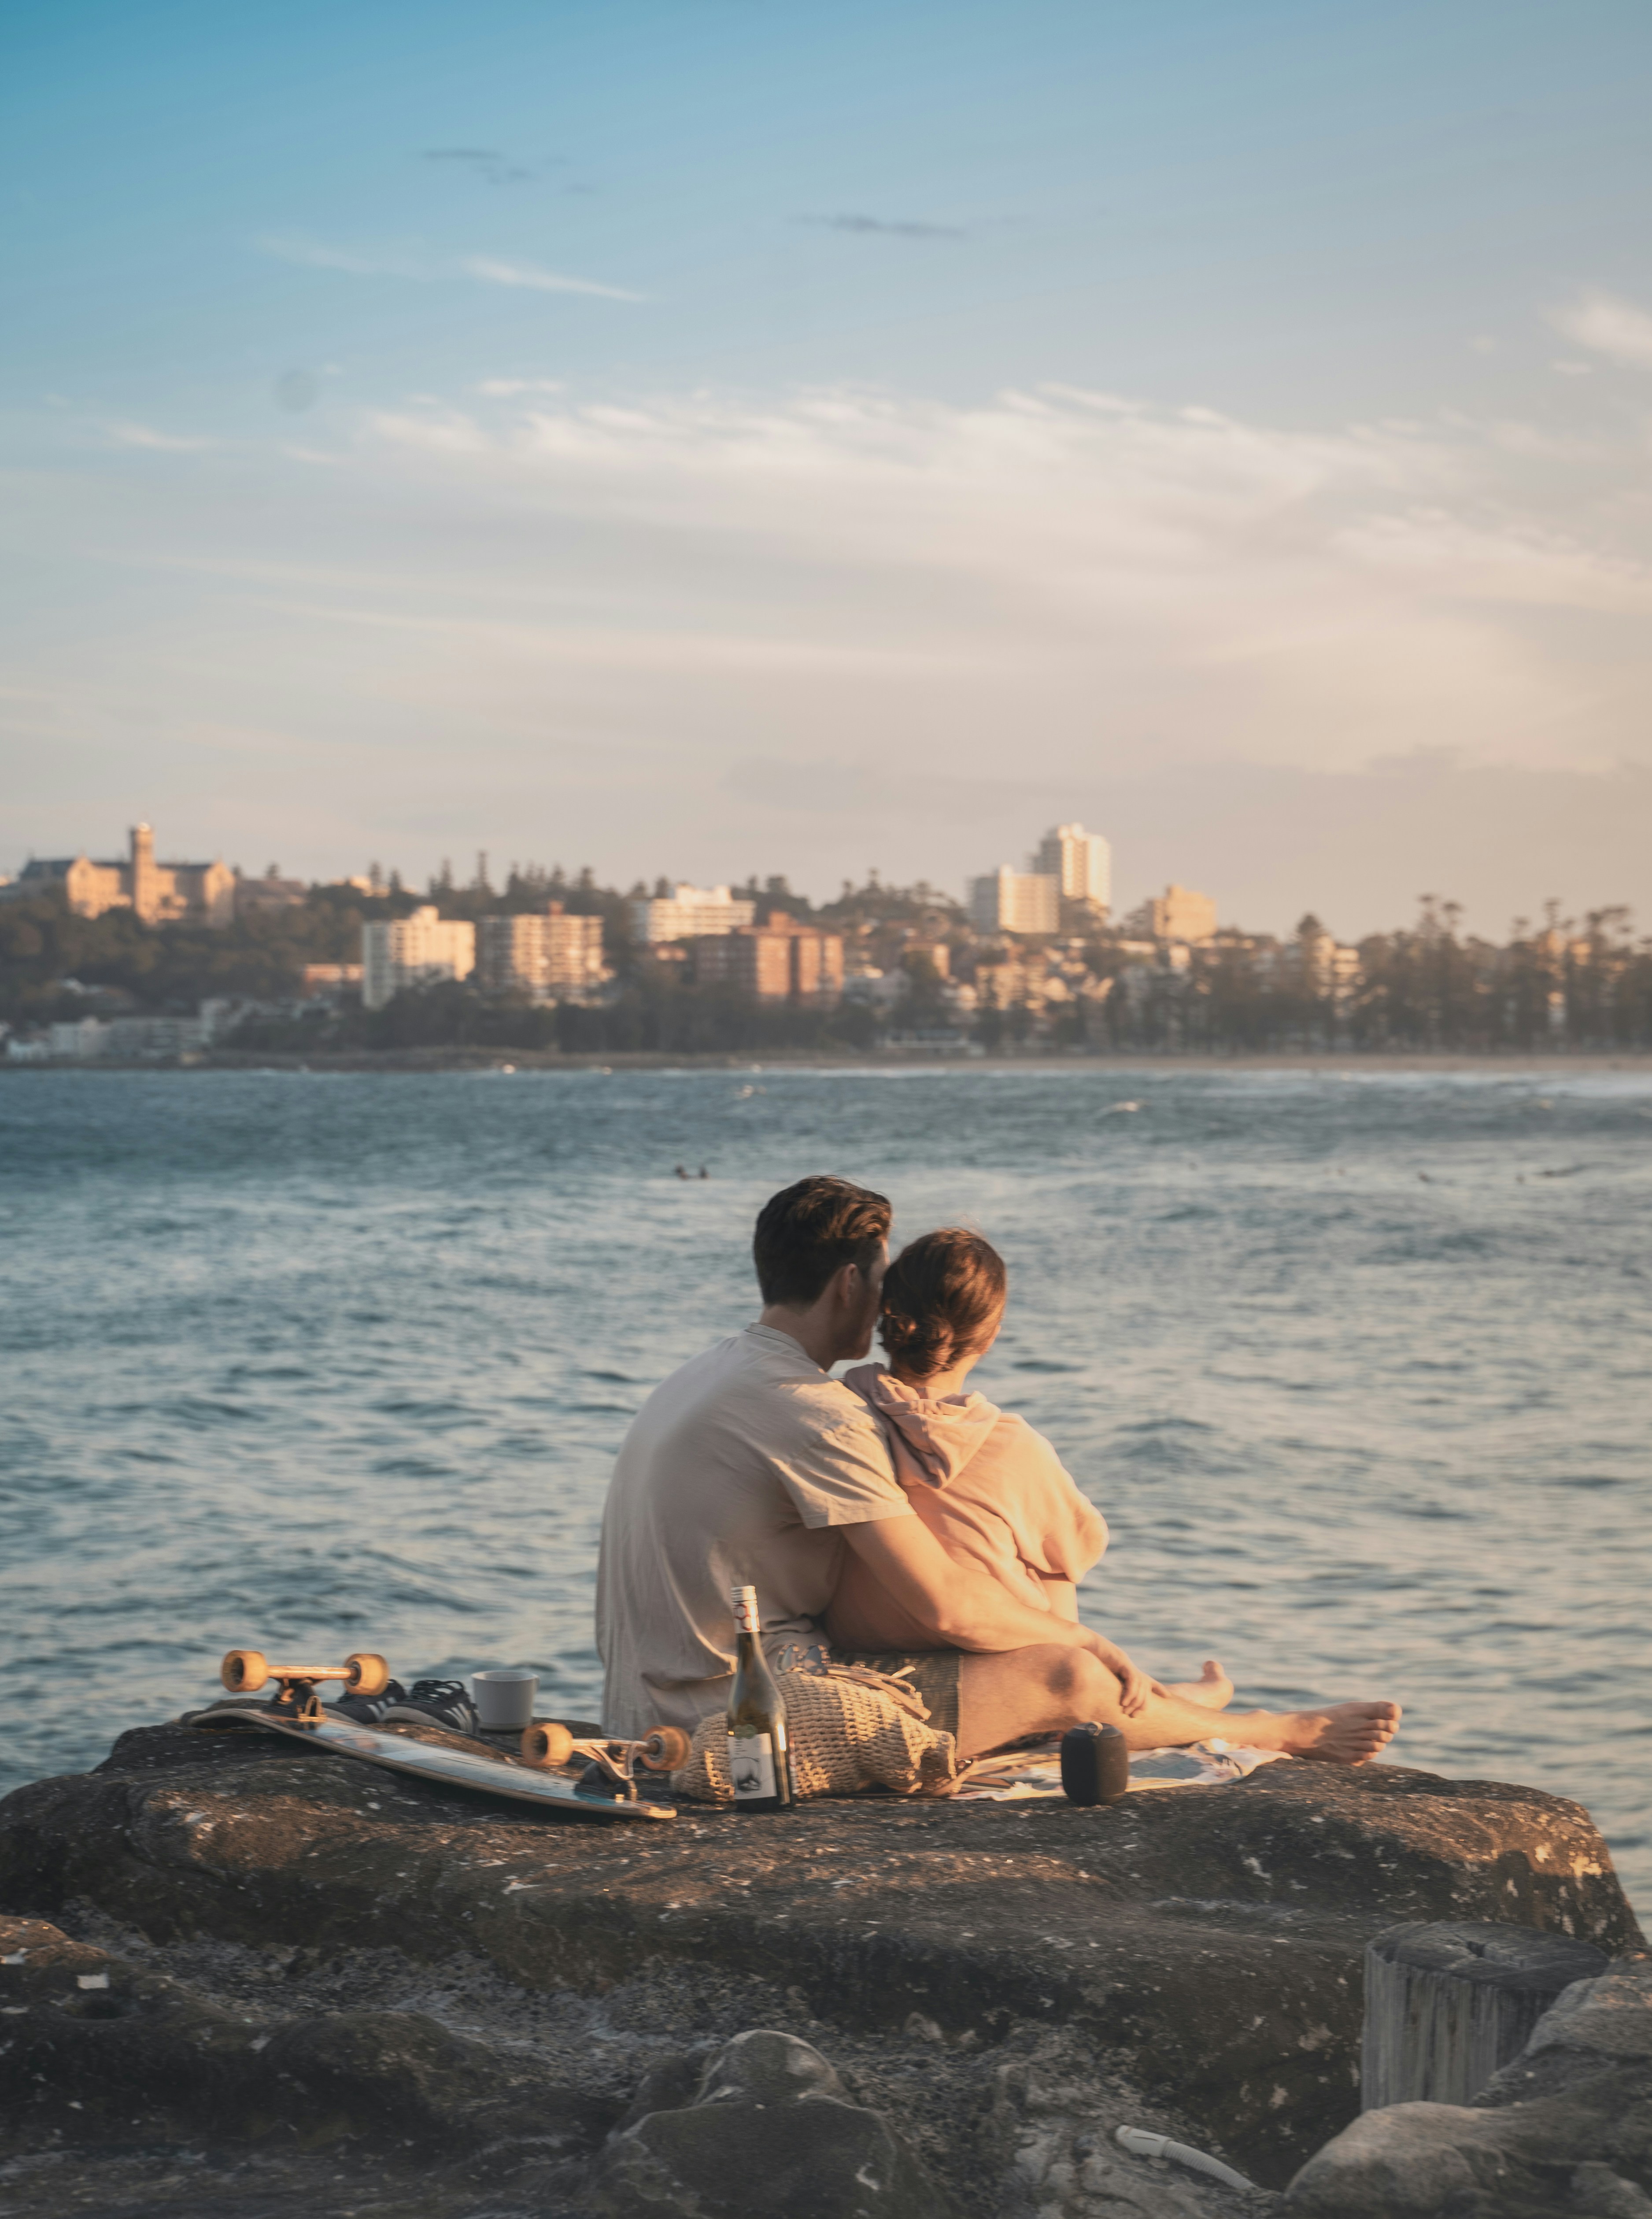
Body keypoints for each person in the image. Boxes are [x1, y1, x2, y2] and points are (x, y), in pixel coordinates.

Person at [596, 1175, 1401, 1765]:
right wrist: (1090, 1640)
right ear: (850, 1283)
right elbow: (946, 1609)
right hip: (749, 1723)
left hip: (645, 1703)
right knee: (1065, 1676)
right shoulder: (814, 1410)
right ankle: (1279, 1730)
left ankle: (1162, 1704)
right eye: (880, 1283)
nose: (887, 1312)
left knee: (1017, 1648)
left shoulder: (714, 1369)